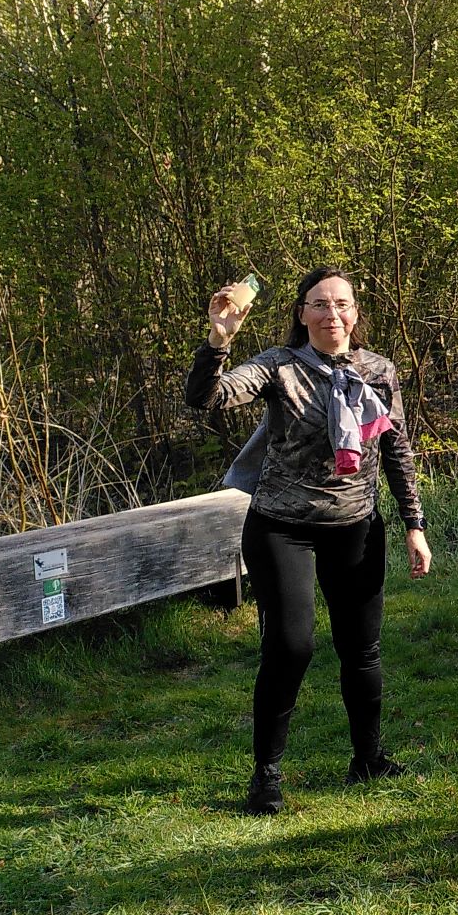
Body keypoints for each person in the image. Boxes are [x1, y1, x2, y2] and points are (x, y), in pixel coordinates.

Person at [185, 267, 432, 815]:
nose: (332, 315)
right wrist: (218, 341)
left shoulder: (379, 371)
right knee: (291, 646)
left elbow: (398, 451)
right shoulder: (279, 366)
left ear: (356, 312)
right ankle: (266, 776)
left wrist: (414, 525)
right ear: (302, 315)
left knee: (361, 649)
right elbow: (206, 399)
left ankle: (367, 757)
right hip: (282, 527)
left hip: (356, 526)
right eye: (319, 305)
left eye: (342, 304)